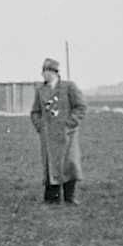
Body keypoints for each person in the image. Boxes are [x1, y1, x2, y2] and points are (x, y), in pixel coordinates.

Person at [29, 57, 86, 205]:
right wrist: (40, 126)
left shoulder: (69, 87)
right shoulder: (40, 90)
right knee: (50, 165)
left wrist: (69, 124)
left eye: (48, 71)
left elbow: (80, 107)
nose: (45, 74)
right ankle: (51, 198)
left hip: (67, 135)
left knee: (69, 164)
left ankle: (70, 197)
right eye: (44, 71)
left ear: (56, 72)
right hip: (48, 136)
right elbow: (35, 112)